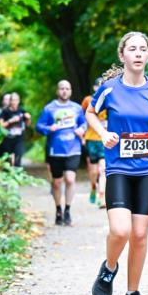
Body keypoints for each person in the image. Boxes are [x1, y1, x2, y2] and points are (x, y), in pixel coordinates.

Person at [86, 32, 148, 295]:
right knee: (120, 231)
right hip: (119, 168)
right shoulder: (110, 89)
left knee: (140, 234)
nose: (138, 53)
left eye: (143, 49)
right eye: (132, 49)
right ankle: (109, 268)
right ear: (122, 55)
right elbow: (90, 113)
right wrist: (103, 133)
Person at [36, 80, 87, 226]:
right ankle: (58, 209)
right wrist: (48, 128)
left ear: (70, 91)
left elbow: (84, 123)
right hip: (55, 150)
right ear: (57, 91)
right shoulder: (49, 108)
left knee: (70, 179)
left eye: (67, 89)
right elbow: (39, 126)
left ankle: (67, 210)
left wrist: (82, 129)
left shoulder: (77, 108)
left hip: (73, 148)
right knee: (57, 182)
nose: (64, 91)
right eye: (62, 88)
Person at [81, 78, 108, 208]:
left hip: (104, 138)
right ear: (94, 88)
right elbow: (82, 116)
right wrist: (82, 134)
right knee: (94, 171)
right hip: (91, 138)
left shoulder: (110, 100)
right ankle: (93, 186)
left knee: (103, 169)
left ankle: (101, 196)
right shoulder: (88, 100)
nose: (100, 87)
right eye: (98, 85)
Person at [0, 92, 30, 168]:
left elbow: (28, 124)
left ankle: (17, 173)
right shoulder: (5, 111)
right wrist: (10, 121)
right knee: (7, 161)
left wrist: (28, 118)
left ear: (19, 101)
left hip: (19, 138)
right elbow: (0, 125)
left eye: (16, 100)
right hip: (7, 138)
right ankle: (7, 173)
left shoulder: (21, 110)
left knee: (18, 159)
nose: (14, 102)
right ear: (10, 101)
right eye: (13, 100)